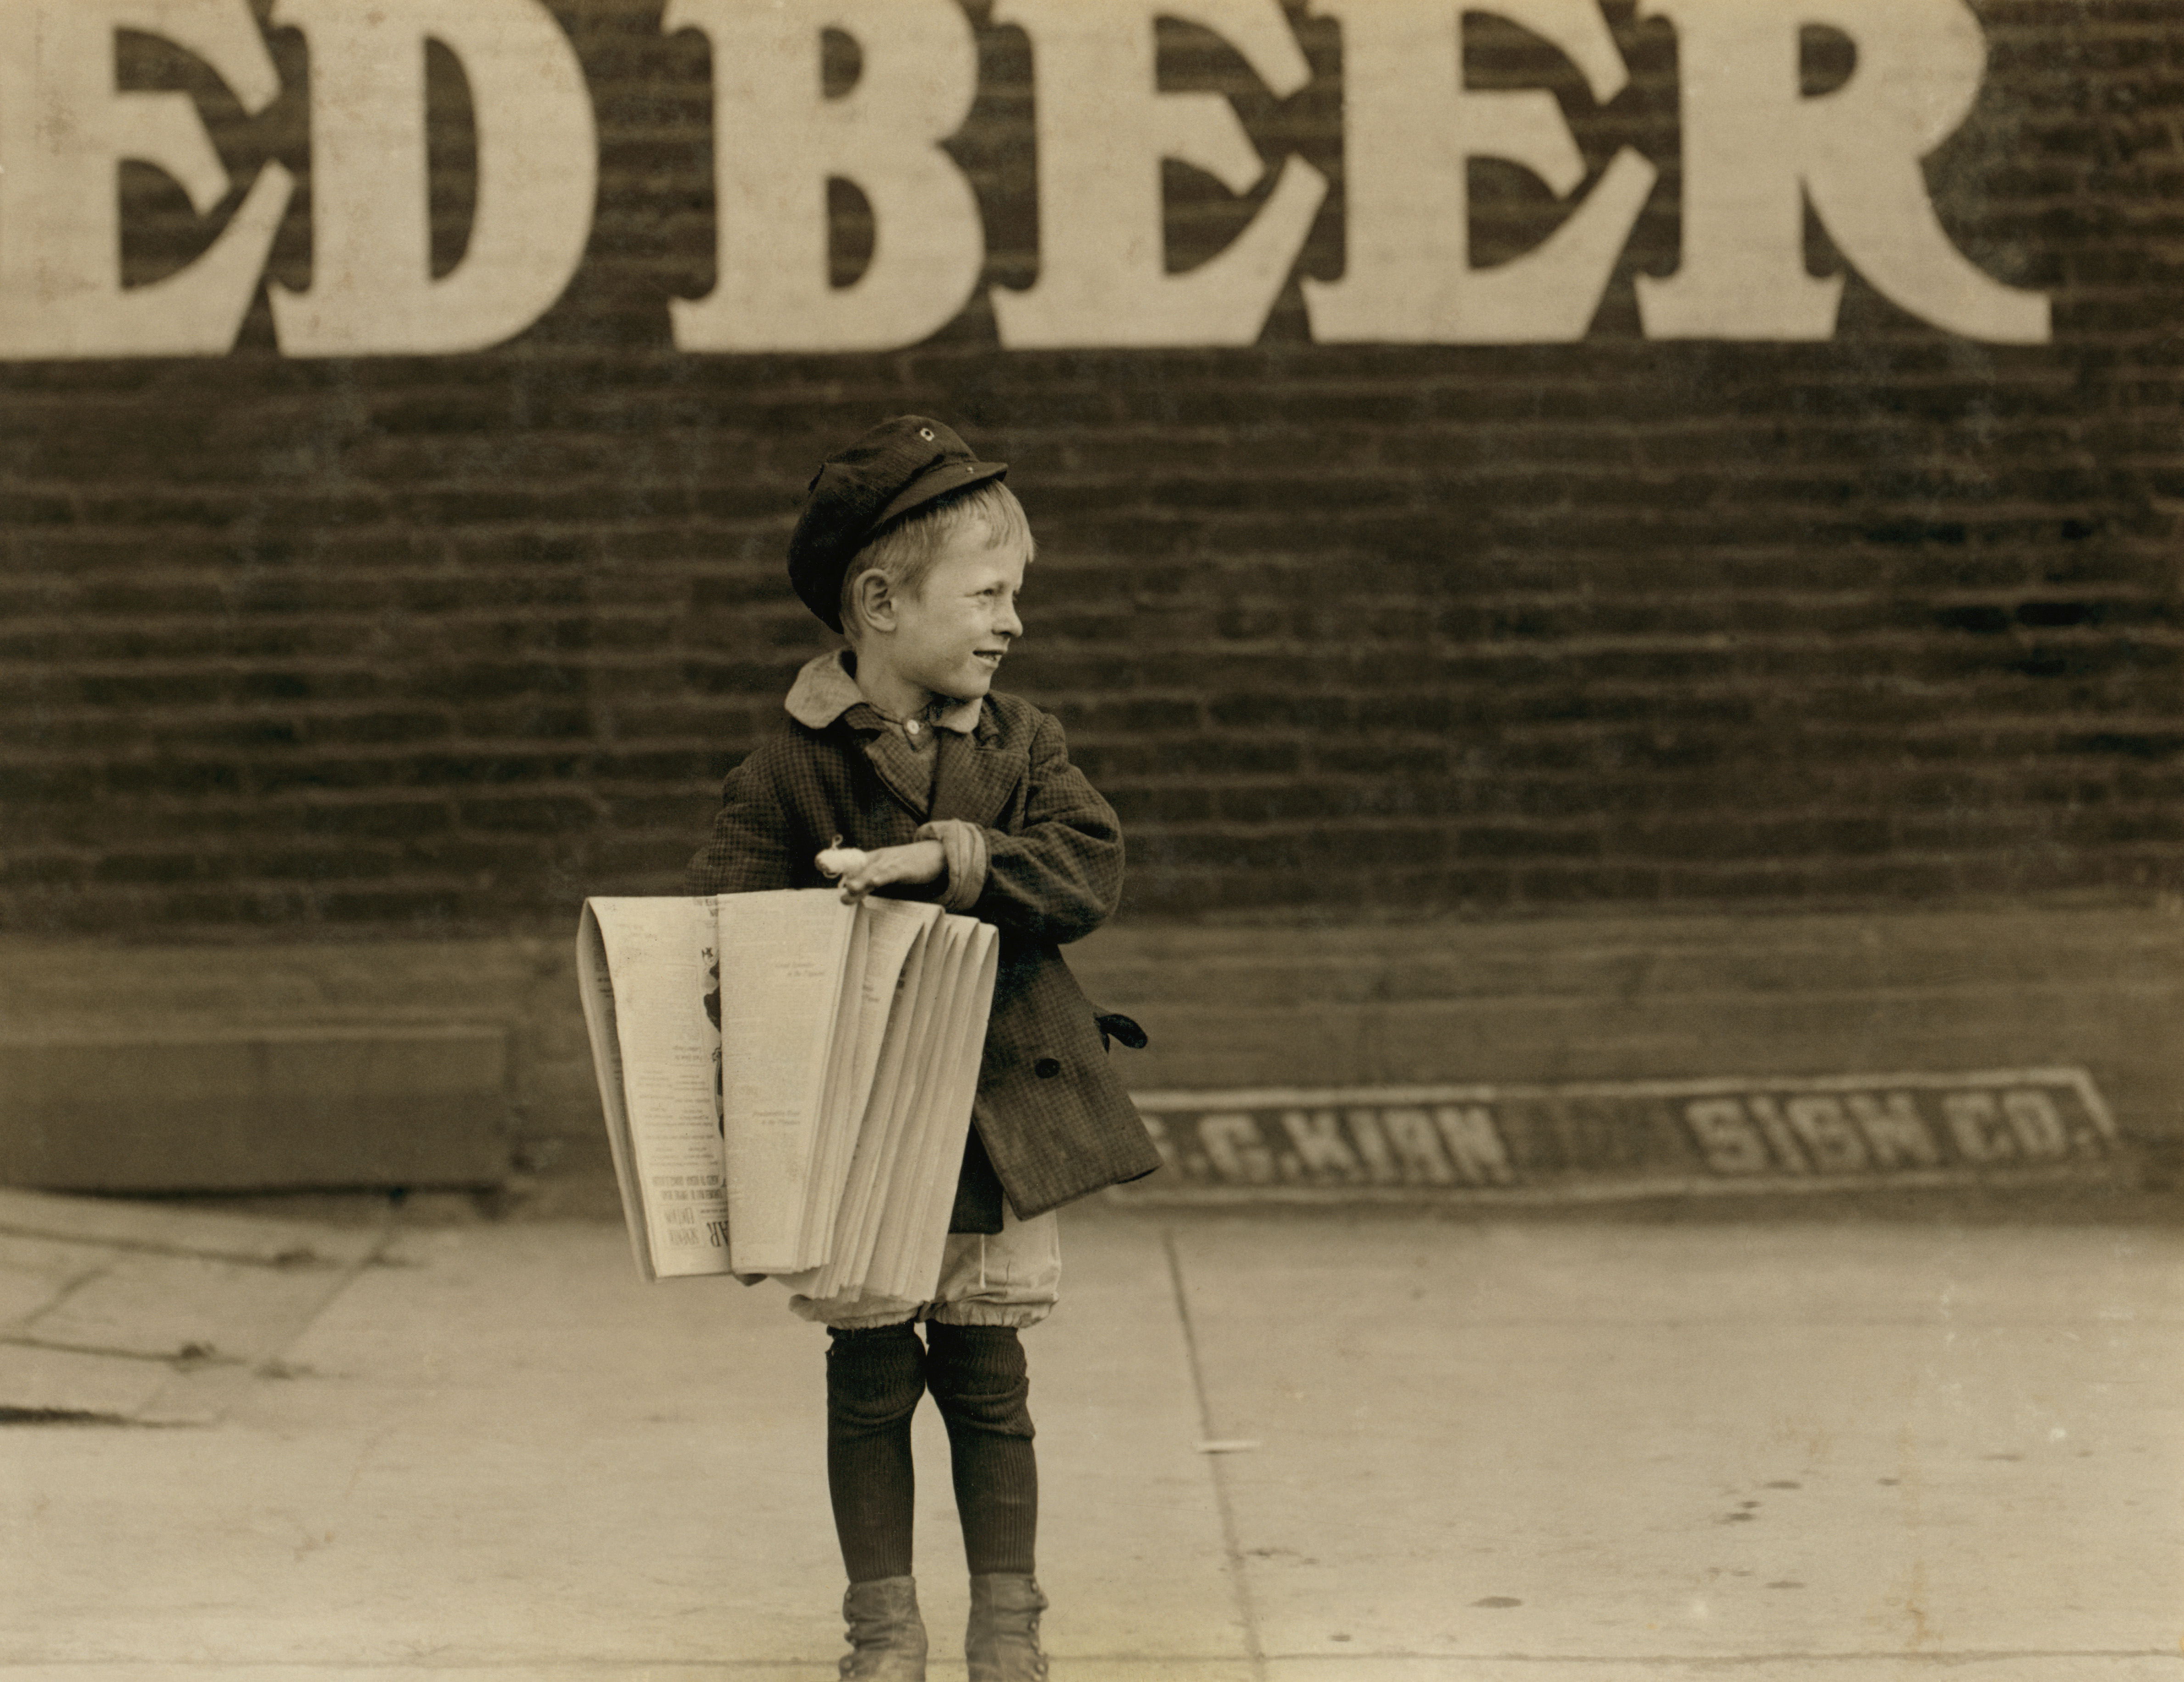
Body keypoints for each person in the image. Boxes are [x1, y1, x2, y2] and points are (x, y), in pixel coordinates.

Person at [683, 415, 1162, 1681]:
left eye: (1020, 596)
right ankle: (881, 1631)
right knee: (872, 1375)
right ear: (882, 604)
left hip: (993, 1118)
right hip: (862, 1126)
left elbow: (1085, 868)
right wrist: (799, 957)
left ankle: (1010, 1628)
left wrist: (947, 861)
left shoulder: (1022, 748)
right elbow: (726, 950)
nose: (1012, 623)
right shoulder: (782, 772)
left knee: (991, 1378)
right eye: (989, 594)